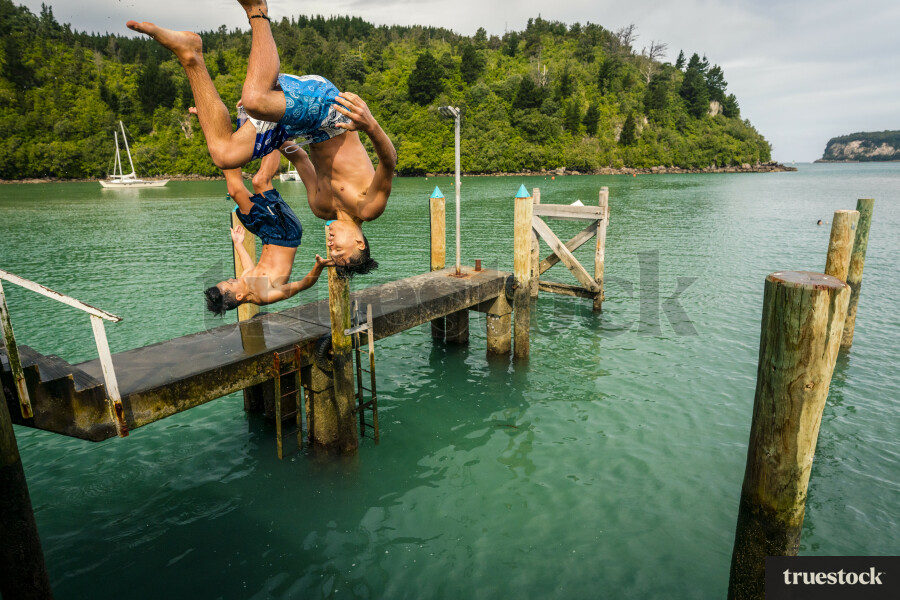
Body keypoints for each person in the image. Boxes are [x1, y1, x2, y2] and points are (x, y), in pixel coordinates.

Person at [127, 0, 396, 278]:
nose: (332, 248)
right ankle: (257, 9)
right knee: (256, 100)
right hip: (330, 115)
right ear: (359, 242)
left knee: (225, 153)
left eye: (332, 255)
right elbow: (389, 162)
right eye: (340, 252)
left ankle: (190, 54)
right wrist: (370, 124)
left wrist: (264, 137)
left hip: (302, 130)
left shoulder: (320, 208)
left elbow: (301, 157)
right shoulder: (370, 207)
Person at [204, 165, 333, 315]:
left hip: (267, 235)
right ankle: (274, 143)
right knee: (260, 182)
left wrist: (238, 243)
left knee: (234, 191)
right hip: (285, 233)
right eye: (231, 283)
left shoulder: (244, 281)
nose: (232, 278)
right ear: (239, 296)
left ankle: (228, 154)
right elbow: (304, 284)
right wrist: (319, 266)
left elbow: (248, 267)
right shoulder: (265, 294)